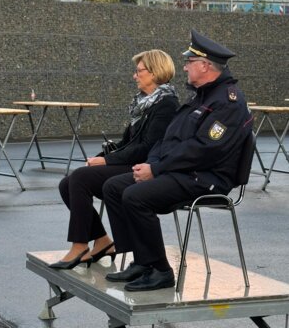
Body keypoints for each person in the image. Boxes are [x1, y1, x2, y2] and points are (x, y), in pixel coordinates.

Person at [103, 29, 254, 291]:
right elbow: (167, 138)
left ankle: (161, 271)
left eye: (189, 62)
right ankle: (143, 262)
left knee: (135, 196)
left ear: (205, 66)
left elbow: (204, 151)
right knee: (114, 187)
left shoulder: (228, 103)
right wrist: (151, 164)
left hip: (206, 178)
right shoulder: (202, 95)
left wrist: (158, 169)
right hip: (182, 171)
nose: (184, 67)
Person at [49, 49, 179, 270]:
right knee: (67, 184)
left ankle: (80, 246)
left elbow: (147, 148)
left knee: (79, 178)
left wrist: (107, 162)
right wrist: (101, 157)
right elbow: (128, 142)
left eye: (139, 71)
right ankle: (101, 241)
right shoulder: (145, 103)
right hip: (131, 162)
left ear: (155, 72)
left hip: (145, 167)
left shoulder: (166, 104)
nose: (134, 76)